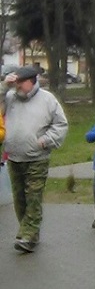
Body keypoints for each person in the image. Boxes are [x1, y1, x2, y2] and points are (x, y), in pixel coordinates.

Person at [2, 66, 68, 253]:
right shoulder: (10, 97)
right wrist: (4, 86)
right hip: (14, 156)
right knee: (19, 198)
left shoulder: (47, 100)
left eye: (20, 82)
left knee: (33, 197)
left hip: (37, 158)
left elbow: (61, 125)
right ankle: (29, 232)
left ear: (31, 81)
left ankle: (27, 235)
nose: (17, 86)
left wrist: (46, 141)